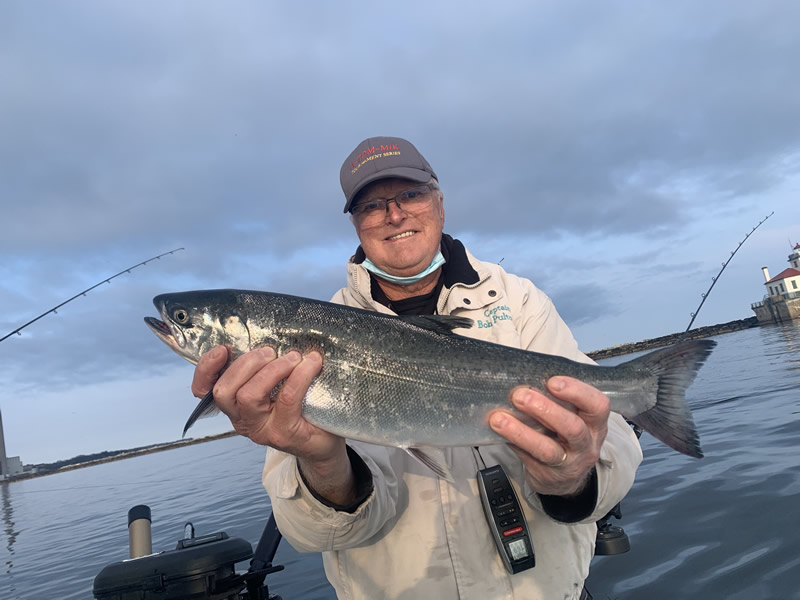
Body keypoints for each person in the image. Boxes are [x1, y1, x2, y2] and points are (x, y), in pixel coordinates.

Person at [192, 136, 642, 599]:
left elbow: (617, 454)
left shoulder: (518, 301)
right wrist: (322, 463)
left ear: (439, 201)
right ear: (355, 225)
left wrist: (573, 478)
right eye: (371, 205)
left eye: (410, 194)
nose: (394, 214)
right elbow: (312, 535)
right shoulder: (309, 342)